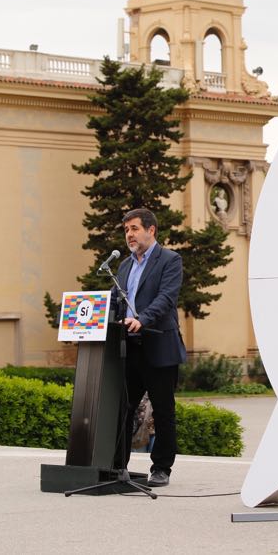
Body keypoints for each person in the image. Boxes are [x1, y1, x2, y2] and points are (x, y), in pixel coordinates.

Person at [113, 208, 185, 487]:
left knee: (164, 410)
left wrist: (141, 319)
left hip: (159, 346)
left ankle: (162, 468)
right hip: (129, 348)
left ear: (151, 230)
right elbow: (117, 300)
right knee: (123, 408)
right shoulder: (124, 266)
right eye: (126, 230)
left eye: (134, 228)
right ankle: (118, 465)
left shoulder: (169, 260)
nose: (129, 235)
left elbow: (166, 298)